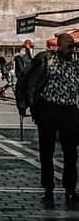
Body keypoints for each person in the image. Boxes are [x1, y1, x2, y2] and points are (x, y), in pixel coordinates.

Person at [16, 32, 78, 206]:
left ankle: (71, 188)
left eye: (73, 46)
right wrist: (25, 104)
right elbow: (27, 81)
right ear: (59, 46)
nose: (71, 50)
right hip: (49, 110)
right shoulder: (47, 61)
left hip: (69, 110)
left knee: (71, 152)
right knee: (47, 151)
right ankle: (48, 188)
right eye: (69, 46)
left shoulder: (75, 64)